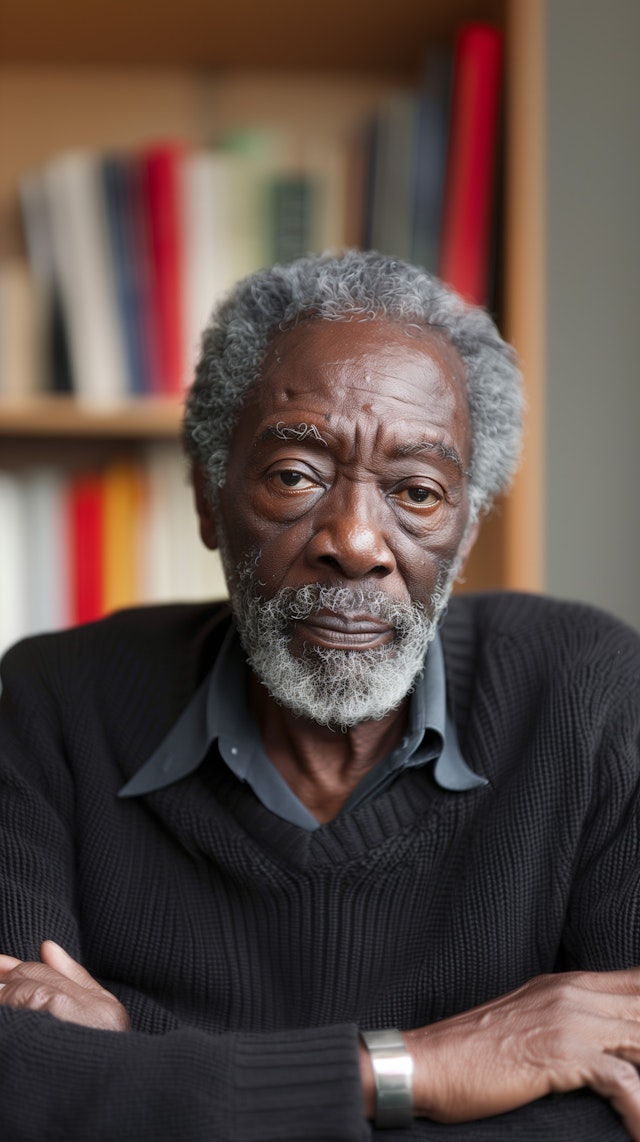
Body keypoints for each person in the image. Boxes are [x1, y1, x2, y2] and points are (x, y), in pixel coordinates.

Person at [0, 250, 639, 1142]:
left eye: (417, 492)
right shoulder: (48, 705)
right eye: (296, 475)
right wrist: (431, 1066)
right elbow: (16, 1085)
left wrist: (140, 1066)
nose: (354, 541)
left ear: (467, 526)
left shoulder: (594, 696)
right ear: (208, 496)